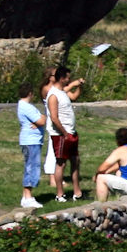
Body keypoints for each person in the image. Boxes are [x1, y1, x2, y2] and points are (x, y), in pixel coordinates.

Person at [47, 66, 85, 201]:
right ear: (62, 78)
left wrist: (79, 86)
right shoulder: (53, 95)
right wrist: (64, 133)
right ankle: (59, 194)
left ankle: (77, 192)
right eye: (67, 77)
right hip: (61, 134)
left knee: (75, 161)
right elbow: (54, 117)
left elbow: (74, 96)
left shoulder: (62, 92)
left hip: (71, 132)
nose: (69, 80)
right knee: (61, 163)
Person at [15, 83, 46, 209]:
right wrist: (41, 119)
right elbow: (42, 120)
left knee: (32, 166)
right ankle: (28, 196)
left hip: (32, 140)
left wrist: (40, 120)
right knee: (32, 167)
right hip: (31, 141)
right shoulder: (26, 107)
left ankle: (26, 196)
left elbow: (40, 120)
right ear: (30, 93)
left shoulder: (24, 106)